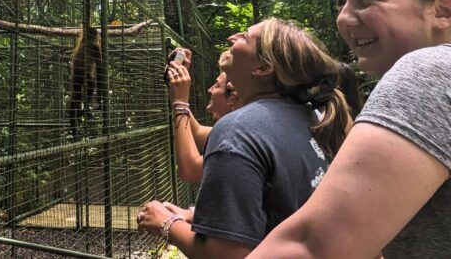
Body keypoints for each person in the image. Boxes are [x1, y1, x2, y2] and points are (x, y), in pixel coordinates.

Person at [248, 0, 451, 258]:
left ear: (443, 11)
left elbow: (312, 246)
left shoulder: (430, 71)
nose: (342, 18)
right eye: (341, 3)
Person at [137, 18, 352, 258]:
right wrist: (178, 94)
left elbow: (226, 254)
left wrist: (166, 223)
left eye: (245, 37)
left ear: (262, 68)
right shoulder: (305, 116)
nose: (233, 37)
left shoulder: (238, 131)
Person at [172, 50, 239, 182]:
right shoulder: (235, 127)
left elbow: (190, 170)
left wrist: (180, 102)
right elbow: (196, 131)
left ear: (233, 97)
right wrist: (176, 86)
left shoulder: (236, 135)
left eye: (216, 85)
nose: (210, 89)